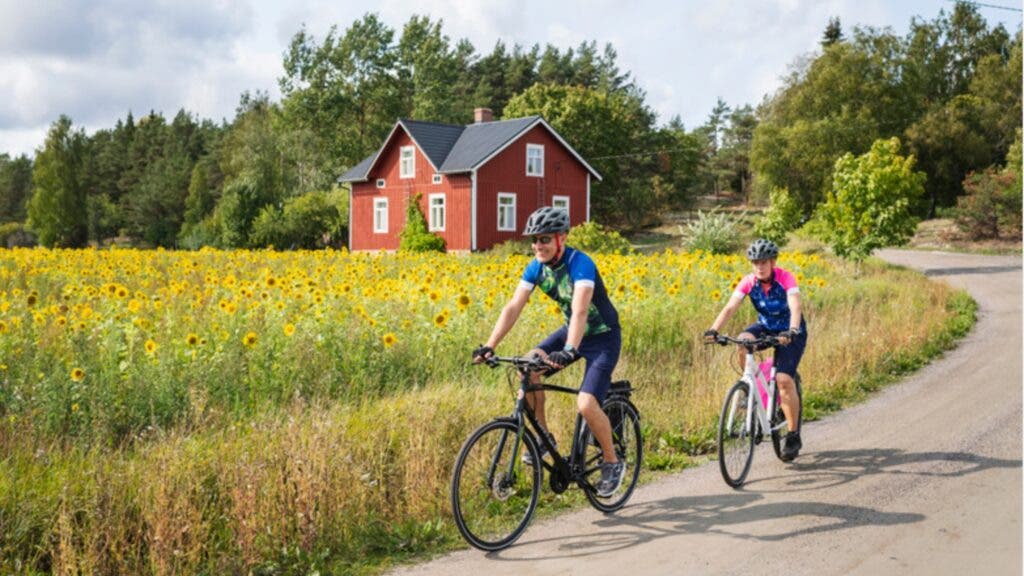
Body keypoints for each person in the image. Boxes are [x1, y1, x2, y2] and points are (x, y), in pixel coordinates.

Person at [472, 206, 625, 497]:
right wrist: (490, 345)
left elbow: (580, 309)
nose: (538, 245)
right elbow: (514, 306)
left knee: (586, 403)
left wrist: (569, 350)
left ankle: (611, 461)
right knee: (528, 367)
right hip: (571, 333)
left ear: (561, 238)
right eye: (534, 240)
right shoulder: (536, 267)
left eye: (544, 239)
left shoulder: (581, 263)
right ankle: (544, 439)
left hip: (603, 337)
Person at [704, 238, 808, 461]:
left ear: (772, 262)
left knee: (782, 379)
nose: (759, 267)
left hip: (790, 331)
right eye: (755, 263)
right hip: (766, 326)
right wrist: (714, 329)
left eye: (763, 262)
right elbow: (731, 306)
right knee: (742, 341)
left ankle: (792, 434)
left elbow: (795, 305)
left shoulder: (785, 278)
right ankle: (750, 388)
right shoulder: (749, 282)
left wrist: (792, 330)